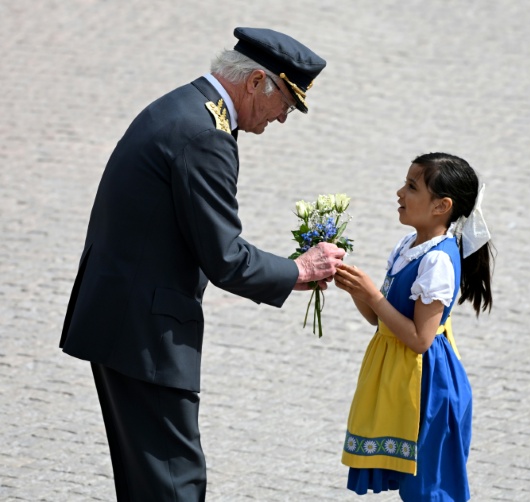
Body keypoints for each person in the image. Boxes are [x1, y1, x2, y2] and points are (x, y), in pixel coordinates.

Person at [59, 27, 345, 501]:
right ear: (256, 82)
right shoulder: (206, 135)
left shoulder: (184, 105)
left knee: (148, 485)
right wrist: (301, 270)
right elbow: (226, 258)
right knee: (175, 484)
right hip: (146, 334)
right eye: (285, 104)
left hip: (120, 318)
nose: (282, 118)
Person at [335, 152, 495, 501]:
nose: (399, 193)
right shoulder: (409, 245)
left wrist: (372, 295)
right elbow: (381, 319)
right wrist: (354, 287)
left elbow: (421, 339)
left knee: (428, 489)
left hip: (427, 382)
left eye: (411, 187)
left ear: (441, 206)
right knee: (413, 485)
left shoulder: (437, 260)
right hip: (401, 374)